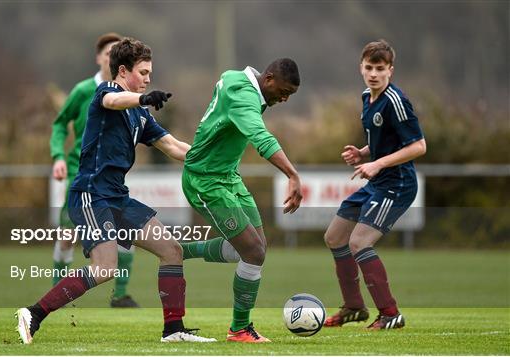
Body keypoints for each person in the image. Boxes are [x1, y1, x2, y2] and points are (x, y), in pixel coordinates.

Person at [16, 37, 216, 344]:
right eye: (143, 72)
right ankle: (34, 313)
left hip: (117, 197)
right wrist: (143, 98)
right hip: (90, 194)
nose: (149, 78)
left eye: (150, 73)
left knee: (171, 251)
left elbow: (174, 147)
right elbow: (115, 102)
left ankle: (173, 330)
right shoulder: (106, 92)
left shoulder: (141, 114)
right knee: (106, 267)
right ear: (122, 71)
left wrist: (213, 159)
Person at [180, 59, 303, 342]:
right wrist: (292, 175)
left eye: (290, 96)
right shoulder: (244, 96)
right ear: (268, 78)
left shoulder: (236, 79)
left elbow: (226, 87)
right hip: (206, 181)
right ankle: (239, 328)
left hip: (229, 178)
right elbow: (260, 138)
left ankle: (182, 250)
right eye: (283, 92)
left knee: (253, 250)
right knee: (254, 252)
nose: (283, 99)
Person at [323, 39, 426, 330]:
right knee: (334, 236)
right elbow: (383, 140)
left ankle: (391, 314)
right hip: (378, 180)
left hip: (398, 184)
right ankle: (354, 307)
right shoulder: (366, 97)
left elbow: (418, 146)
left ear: (390, 71)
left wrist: (378, 163)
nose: (373, 74)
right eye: (369, 67)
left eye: (380, 69)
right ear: (361, 68)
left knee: (359, 242)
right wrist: (364, 152)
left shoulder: (396, 101)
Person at [49, 32, 139, 308]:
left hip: (110, 180)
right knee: (67, 238)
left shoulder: (129, 95)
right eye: (108, 52)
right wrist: (58, 157)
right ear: (99, 58)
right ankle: (57, 294)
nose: (112, 57)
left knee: (127, 233)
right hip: (81, 175)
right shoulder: (84, 90)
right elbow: (60, 124)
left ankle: (120, 295)